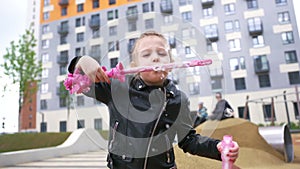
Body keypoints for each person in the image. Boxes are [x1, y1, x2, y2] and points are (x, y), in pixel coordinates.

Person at [67, 31, 239, 169]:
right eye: (146, 54)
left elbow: (188, 140)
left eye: (162, 53)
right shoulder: (117, 88)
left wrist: (217, 148)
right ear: (134, 66)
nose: (155, 58)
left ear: (171, 63)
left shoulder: (178, 99)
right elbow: (78, 83)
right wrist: (82, 61)